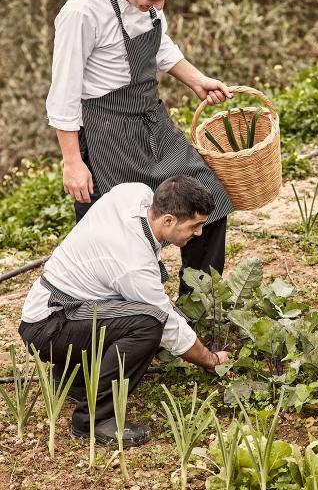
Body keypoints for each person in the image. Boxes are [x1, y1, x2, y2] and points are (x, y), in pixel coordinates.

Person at [46, 0, 233, 293]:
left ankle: (201, 304)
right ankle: (119, 313)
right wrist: (72, 161)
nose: (158, 7)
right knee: (119, 225)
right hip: (107, 130)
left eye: (164, 0)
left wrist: (197, 81)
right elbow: (64, 93)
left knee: (210, 200)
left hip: (151, 117)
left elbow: (162, 47)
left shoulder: (148, 1)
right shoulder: (81, 13)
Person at [19, 175, 230, 447]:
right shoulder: (132, 263)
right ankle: (94, 420)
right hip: (49, 325)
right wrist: (211, 360)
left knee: (143, 313)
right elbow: (167, 325)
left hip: (57, 309)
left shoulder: (136, 194)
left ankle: (73, 380)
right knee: (148, 324)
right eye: (195, 225)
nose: (200, 233)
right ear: (168, 221)